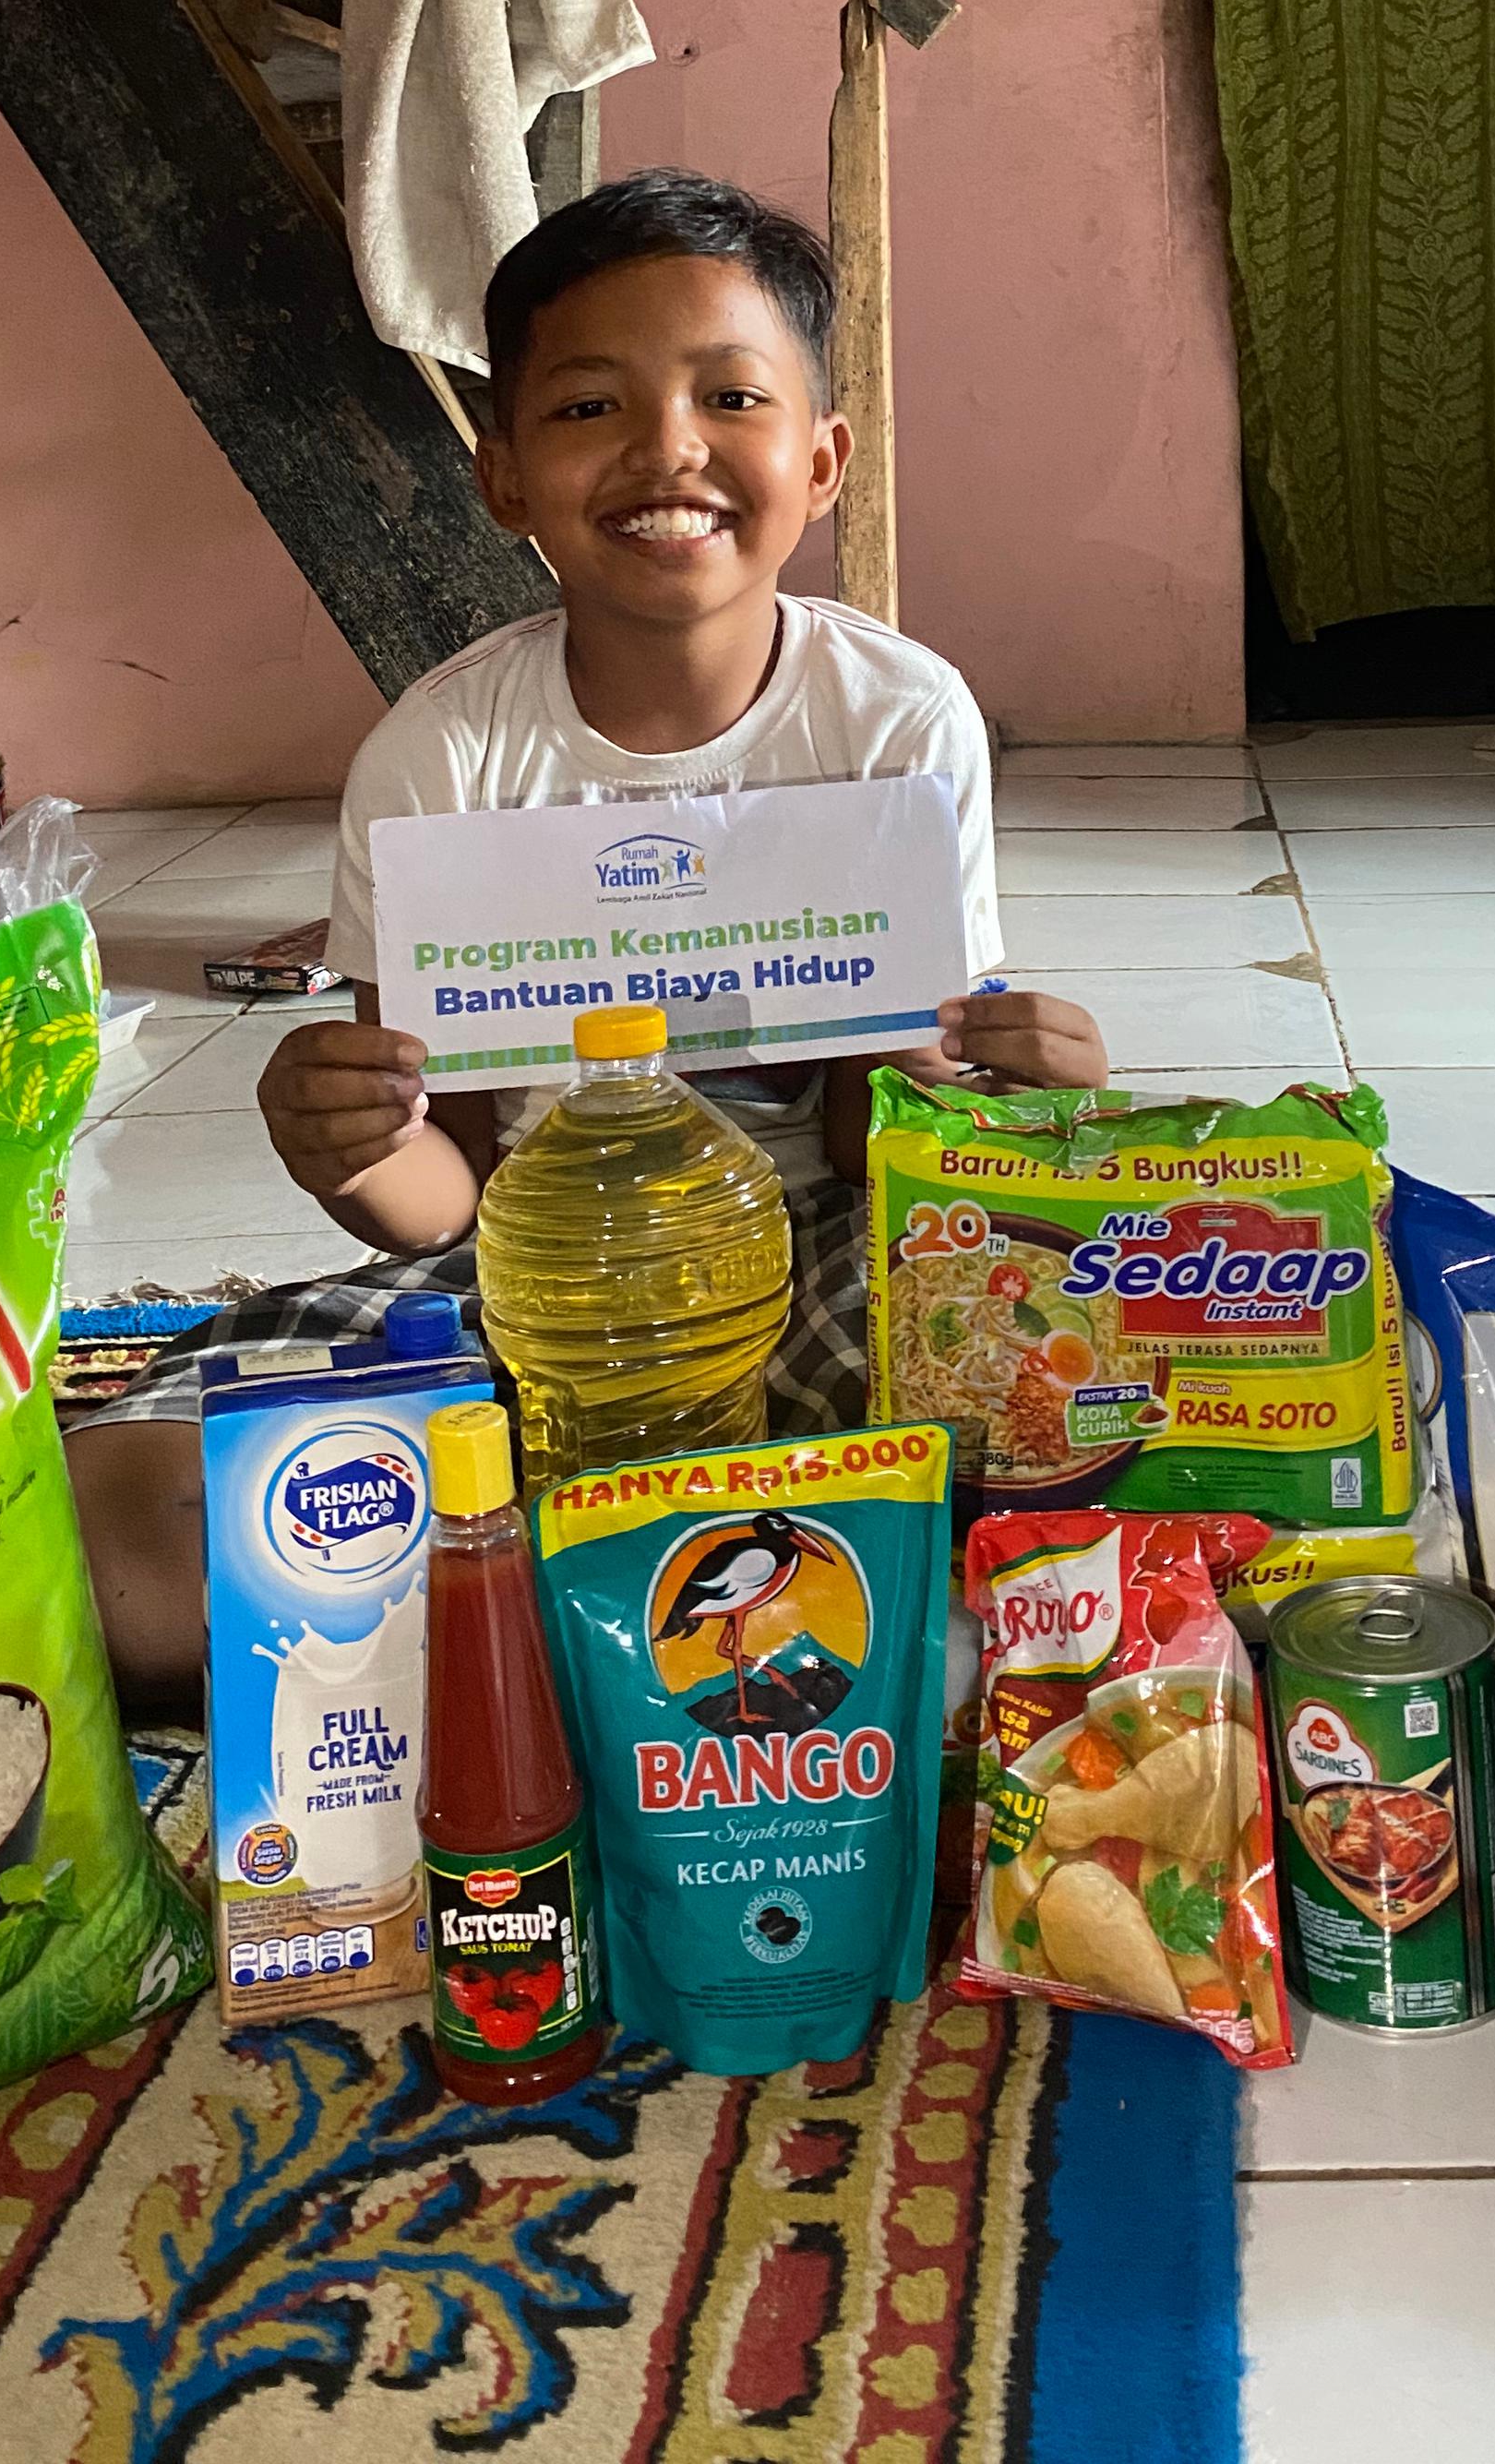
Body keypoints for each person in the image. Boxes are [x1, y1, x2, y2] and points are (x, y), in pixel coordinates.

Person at [69, 169, 1107, 1712]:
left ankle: (533, 1601)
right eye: (587, 407)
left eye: (731, 396)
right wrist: (356, 1150)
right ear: (503, 476)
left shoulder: (897, 723)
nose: (667, 448)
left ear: (822, 462)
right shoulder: (442, 758)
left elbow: (873, 1142)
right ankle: (722, 1585)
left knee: (1093, 1390)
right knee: (124, 1548)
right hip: (533, 1286)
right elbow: (446, 1197)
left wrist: (995, 1097)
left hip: (820, 1256)